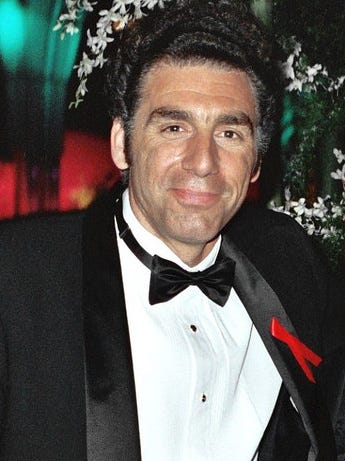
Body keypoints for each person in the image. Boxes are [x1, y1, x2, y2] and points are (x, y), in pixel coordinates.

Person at [0, 1, 344, 460]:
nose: (203, 161)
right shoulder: (18, 280)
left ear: (256, 161)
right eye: (174, 127)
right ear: (122, 144)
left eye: (230, 134)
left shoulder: (288, 258)